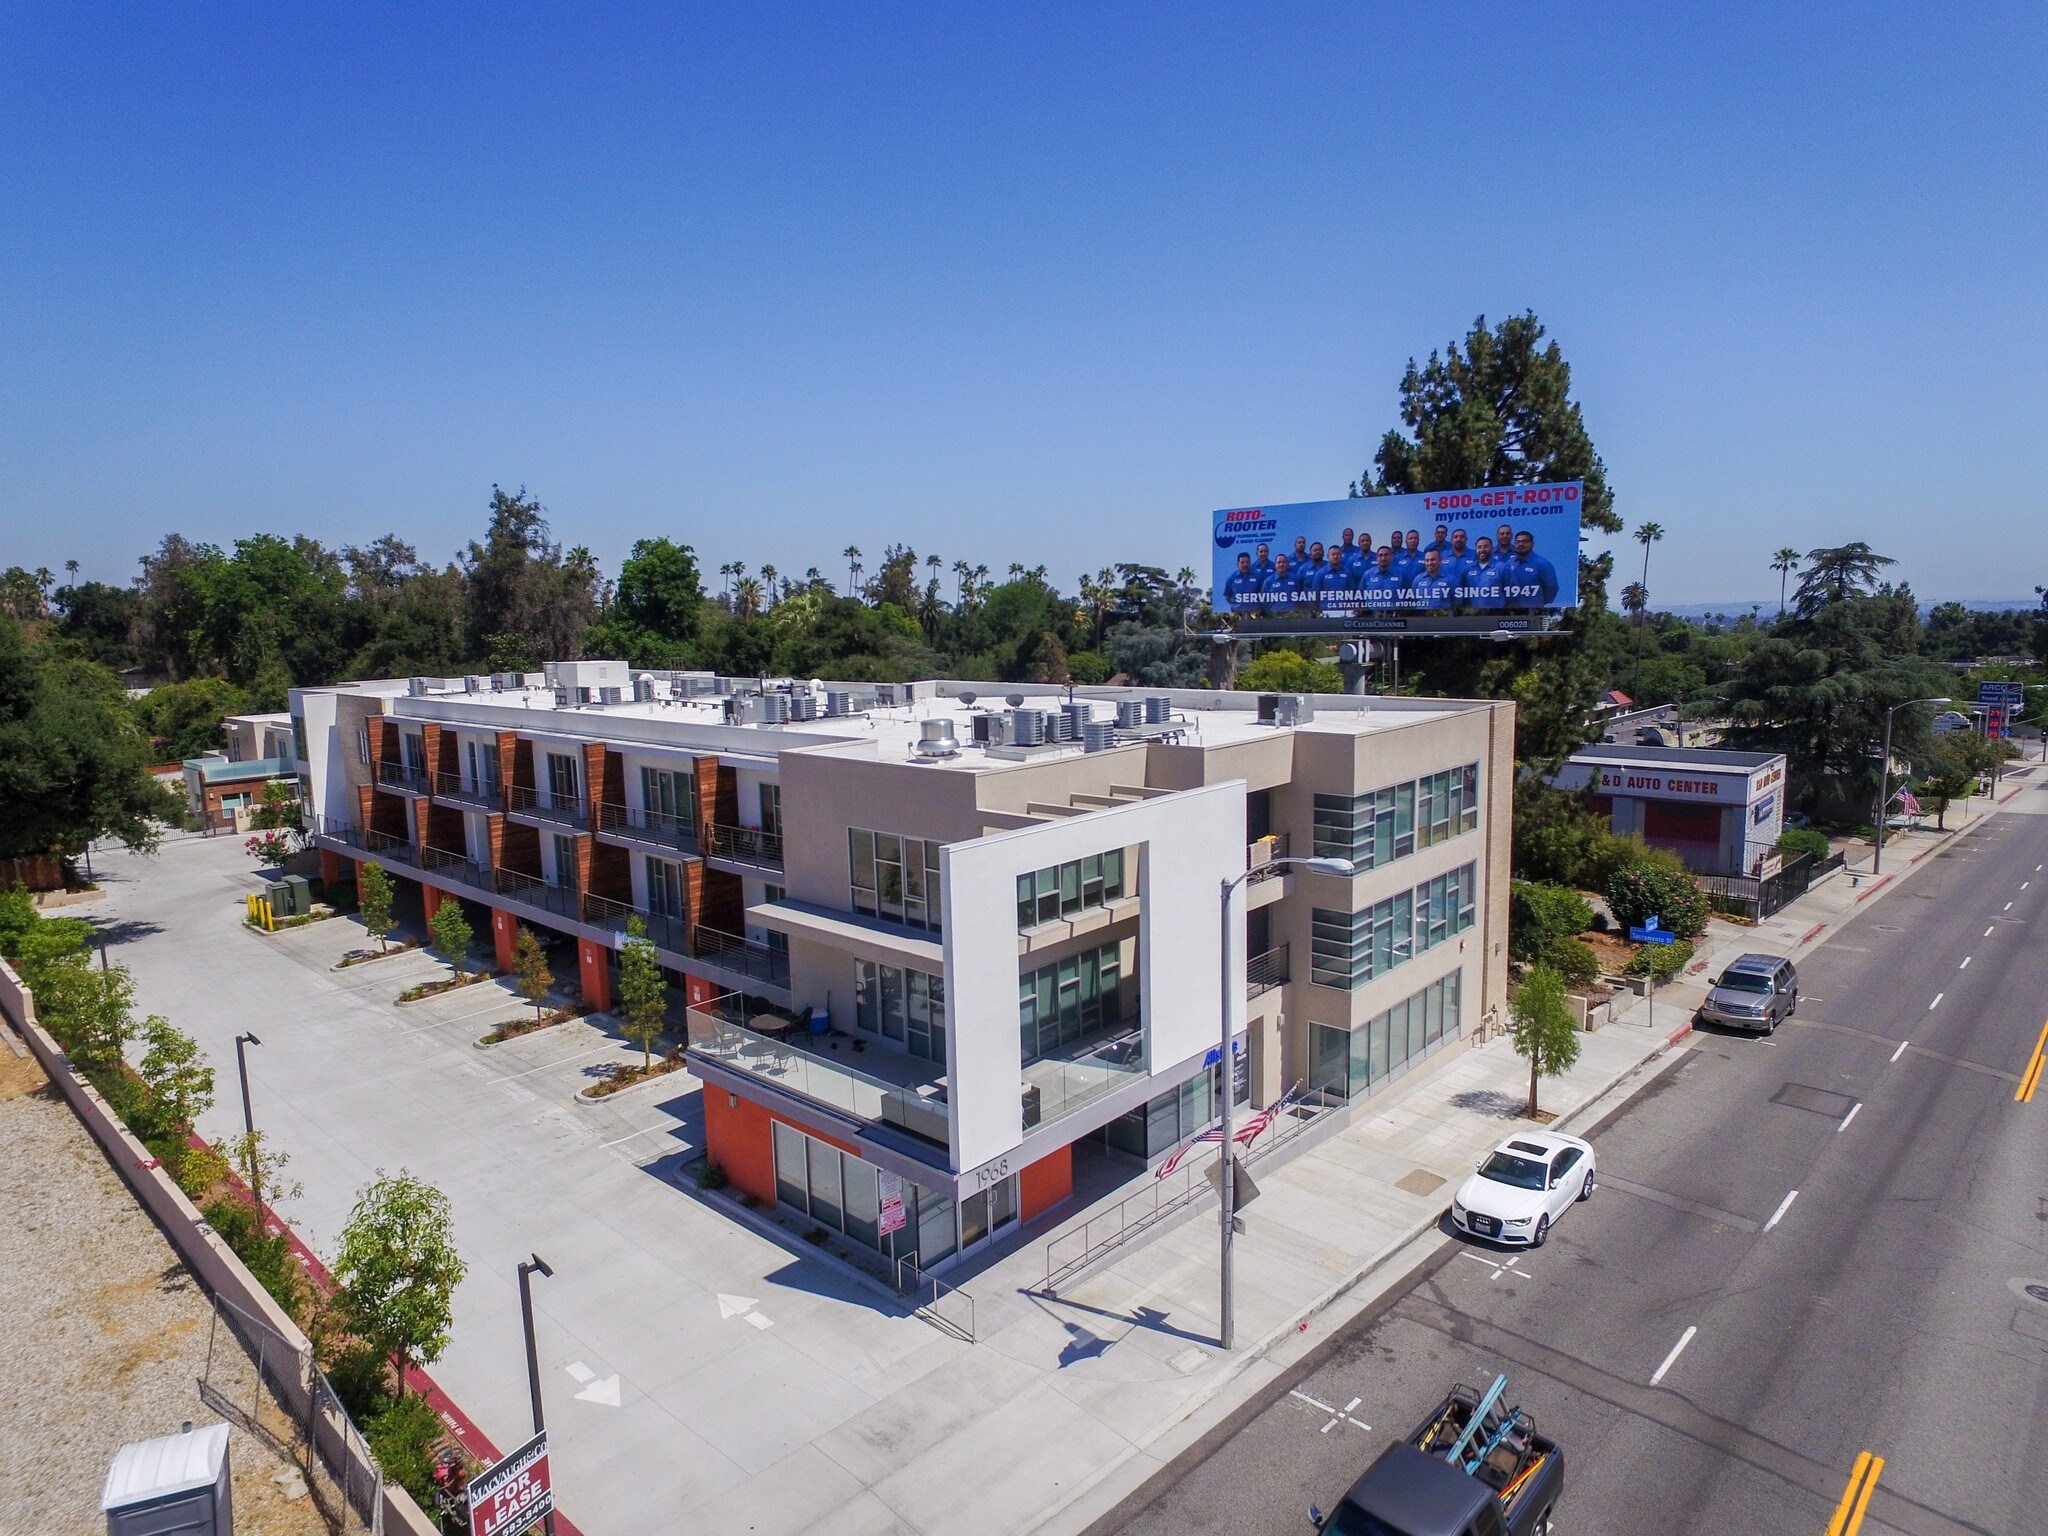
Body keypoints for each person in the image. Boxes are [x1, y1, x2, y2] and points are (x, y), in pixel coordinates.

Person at [1508, 530, 1560, 607]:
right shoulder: (1509, 563)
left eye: (1524, 541)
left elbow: (1552, 588)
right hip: (1509, 611)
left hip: (1532, 611)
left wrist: (1538, 602)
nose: (1521, 544)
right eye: (1517, 542)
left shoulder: (1543, 564)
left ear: (1532, 544)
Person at [1462, 536, 1506, 611]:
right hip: (1472, 615)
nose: (1482, 550)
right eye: (1479, 547)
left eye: (1485, 547)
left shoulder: (1502, 567)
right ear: (1475, 550)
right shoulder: (1467, 569)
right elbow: (1461, 592)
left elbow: (1513, 592)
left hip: (1496, 615)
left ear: (1492, 549)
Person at [1318, 544, 1361, 610]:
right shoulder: (1321, 573)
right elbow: (1315, 595)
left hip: (1344, 612)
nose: (1335, 556)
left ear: (1341, 556)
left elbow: (1352, 594)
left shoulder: (1347, 573)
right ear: (1328, 556)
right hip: (1325, 613)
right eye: (1333, 554)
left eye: (1338, 554)